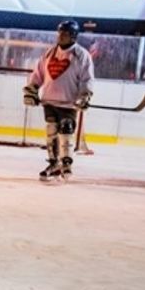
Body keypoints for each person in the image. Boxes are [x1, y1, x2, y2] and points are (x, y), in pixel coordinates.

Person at [23, 19, 95, 181]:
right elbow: (38, 74)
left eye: (65, 34)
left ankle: (66, 163)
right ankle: (54, 163)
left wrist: (85, 95)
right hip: (49, 100)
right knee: (51, 132)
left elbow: (87, 79)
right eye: (59, 33)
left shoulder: (81, 55)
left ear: (73, 36)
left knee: (66, 130)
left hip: (69, 103)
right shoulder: (49, 53)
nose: (60, 36)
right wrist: (31, 90)